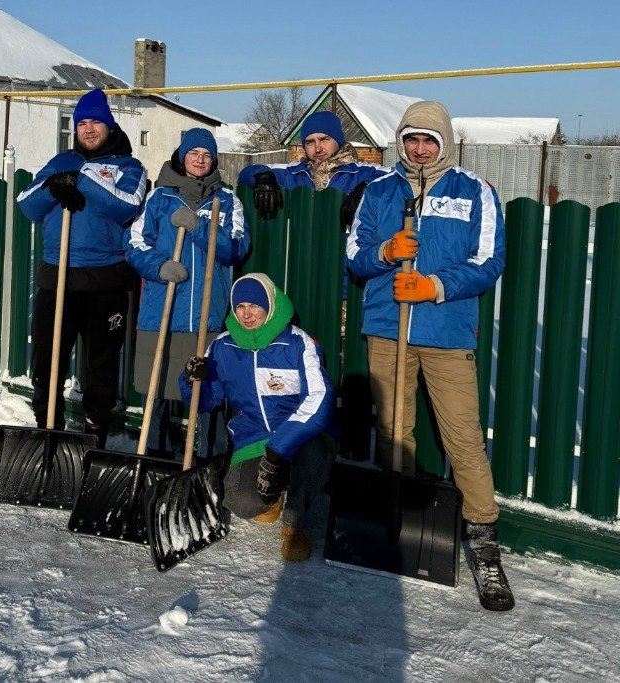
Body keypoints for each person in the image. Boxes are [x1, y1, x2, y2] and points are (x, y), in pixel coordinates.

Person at [346, 100, 513, 611]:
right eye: (411, 139)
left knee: (462, 436)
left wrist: (435, 286)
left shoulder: (475, 192)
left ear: (444, 143)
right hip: (386, 330)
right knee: (394, 428)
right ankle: (398, 517)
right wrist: (386, 253)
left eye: (429, 140)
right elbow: (355, 254)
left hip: (447, 333)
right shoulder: (377, 191)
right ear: (400, 140)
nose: (419, 149)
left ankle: (483, 540)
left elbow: (488, 263)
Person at [18, 89, 146, 447]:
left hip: (105, 282)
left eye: (96, 122)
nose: (89, 129)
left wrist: (82, 179)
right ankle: (49, 433)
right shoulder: (60, 161)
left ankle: (94, 439)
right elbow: (26, 204)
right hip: (56, 276)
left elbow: (126, 206)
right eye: (82, 123)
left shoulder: (128, 167)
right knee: (46, 363)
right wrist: (55, 186)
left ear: (109, 125)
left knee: (100, 368)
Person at [180, 273, 335, 561]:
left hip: (298, 435)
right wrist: (192, 380)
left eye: (254, 306)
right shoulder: (222, 346)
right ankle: (271, 495)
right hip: (251, 436)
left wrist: (277, 453)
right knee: (240, 501)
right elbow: (206, 402)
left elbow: (320, 399)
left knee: (316, 455)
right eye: (240, 307)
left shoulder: (298, 344)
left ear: (270, 307)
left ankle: (294, 521)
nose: (246, 314)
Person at [125, 128, 250, 459]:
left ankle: (210, 461)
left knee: (207, 394)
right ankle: (154, 456)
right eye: (194, 153)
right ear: (182, 156)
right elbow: (135, 243)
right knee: (156, 391)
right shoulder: (159, 198)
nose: (200, 160)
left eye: (207, 155)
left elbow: (236, 248)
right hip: (162, 310)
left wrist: (200, 229)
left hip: (207, 317)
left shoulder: (228, 200)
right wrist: (159, 267)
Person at [237, 110, 387, 230]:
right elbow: (246, 172)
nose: (317, 148)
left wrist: (366, 188)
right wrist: (263, 177)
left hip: (345, 259)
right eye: (310, 142)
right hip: (303, 259)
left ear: (338, 140)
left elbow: (400, 177)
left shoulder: (361, 173)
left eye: (324, 139)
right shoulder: (294, 174)